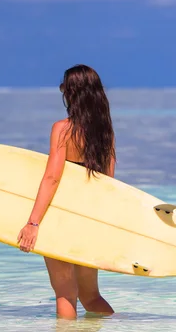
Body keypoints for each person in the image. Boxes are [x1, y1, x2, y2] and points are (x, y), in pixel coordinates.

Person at [17, 64, 116, 319]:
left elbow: (52, 177)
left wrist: (33, 223)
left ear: (70, 92)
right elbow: (109, 184)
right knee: (91, 296)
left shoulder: (62, 129)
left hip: (61, 218)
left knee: (65, 294)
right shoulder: (105, 133)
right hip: (89, 220)